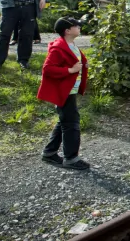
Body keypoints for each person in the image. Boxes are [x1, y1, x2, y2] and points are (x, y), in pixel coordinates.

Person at [37, 17, 90, 170]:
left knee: (65, 121)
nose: (79, 27)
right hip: (64, 91)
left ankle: (49, 153)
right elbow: (48, 69)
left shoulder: (71, 45)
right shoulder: (58, 47)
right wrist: (70, 70)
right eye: (76, 26)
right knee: (72, 123)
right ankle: (71, 158)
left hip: (70, 90)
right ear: (67, 31)